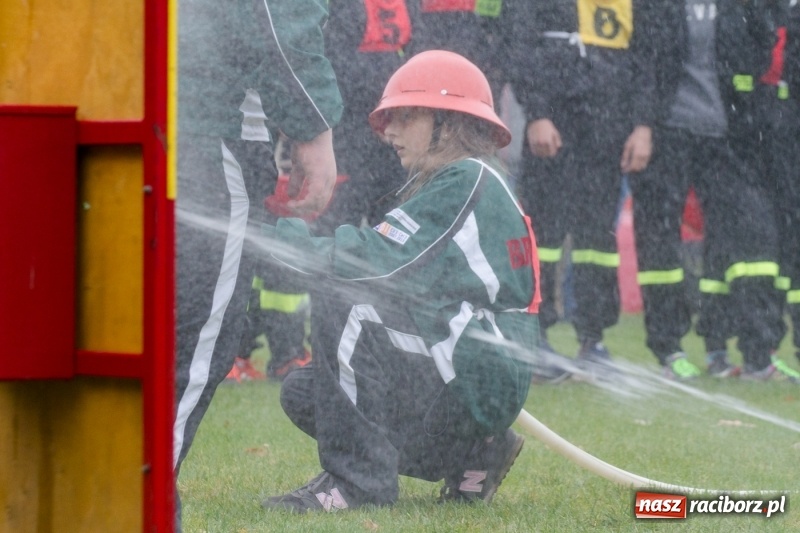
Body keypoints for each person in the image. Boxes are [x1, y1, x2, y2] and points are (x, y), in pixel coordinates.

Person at [260, 50, 537, 512]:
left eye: (403, 116)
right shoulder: (468, 180)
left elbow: (380, 259)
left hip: (476, 366)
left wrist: (288, 238)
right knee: (307, 393)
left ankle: (357, 484)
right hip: (472, 365)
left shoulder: (466, 177)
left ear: (446, 123)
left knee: (343, 298)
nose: (388, 132)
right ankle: (477, 451)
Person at [174, 0, 342, 525]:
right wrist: (312, 127)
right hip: (203, 128)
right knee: (196, 335)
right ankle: (132, 491)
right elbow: (277, 14)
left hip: (117, 105)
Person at [629, 0, 799, 382]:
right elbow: (642, 61)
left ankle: (753, 354)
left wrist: (741, 90)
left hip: (726, 135)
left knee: (751, 236)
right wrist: (642, 125)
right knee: (660, 238)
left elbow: (764, 38)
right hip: (667, 133)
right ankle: (668, 347)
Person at [505, 0, 661, 374]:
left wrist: (642, 125)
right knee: (543, 234)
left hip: (608, 131)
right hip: (554, 126)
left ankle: (594, 340)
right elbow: (520, 47)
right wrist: (538, 113)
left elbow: (646, 60)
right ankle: (534, 336)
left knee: (598, 241)